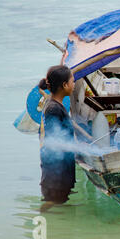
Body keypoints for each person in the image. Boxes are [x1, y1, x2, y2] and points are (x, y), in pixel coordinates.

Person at [38, 65, 76, 212]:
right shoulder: (53, 109)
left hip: (58, 171)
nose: (74, 84)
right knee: (52, 203)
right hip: (55, 173)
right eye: (72, 81)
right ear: (64, 85)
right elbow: (54, 140)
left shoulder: (54, 105)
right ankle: (39, 214)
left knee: (59, 203)